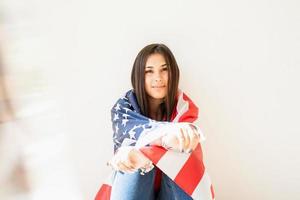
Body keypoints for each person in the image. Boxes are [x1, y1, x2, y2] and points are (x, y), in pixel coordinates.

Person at [107, 43, 204, 200]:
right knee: (132, 156)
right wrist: (157, 144)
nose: (158, 78)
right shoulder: (123, 109)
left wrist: (144, 154)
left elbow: (184, 139)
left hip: (172, 192)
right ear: (139, 76)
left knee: (183, 144)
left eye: (164, 70)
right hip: (138, 189)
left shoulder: (183, 107)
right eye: (149, 71)